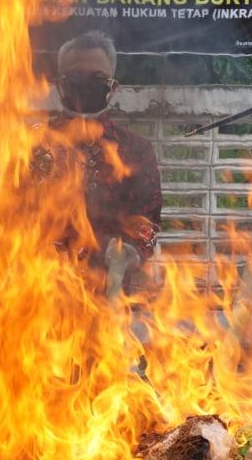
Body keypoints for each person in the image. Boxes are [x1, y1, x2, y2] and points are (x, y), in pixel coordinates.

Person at [38, 30, 162, 292]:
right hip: (38, 294)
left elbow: (148, 224)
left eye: (97, 78)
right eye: (75, 78)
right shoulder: (31, 146)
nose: (85, 85)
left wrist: (132, 251)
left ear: (112, 86)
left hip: (108, 296)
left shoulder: (136, 150)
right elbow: (7, 215)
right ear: (60, 84)